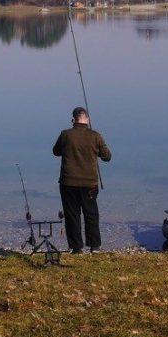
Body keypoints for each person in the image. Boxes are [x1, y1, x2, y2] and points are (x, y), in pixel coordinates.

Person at [52, 106, 112, 254]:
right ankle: (94, 246)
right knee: (91, 213)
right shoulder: (95, 136)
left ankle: (76, 248)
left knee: (72, 214)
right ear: (88, 120)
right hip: (89, 183)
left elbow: (56, 151)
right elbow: (107, 157)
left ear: (73, 120)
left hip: (68, 182)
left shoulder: (65, 135)